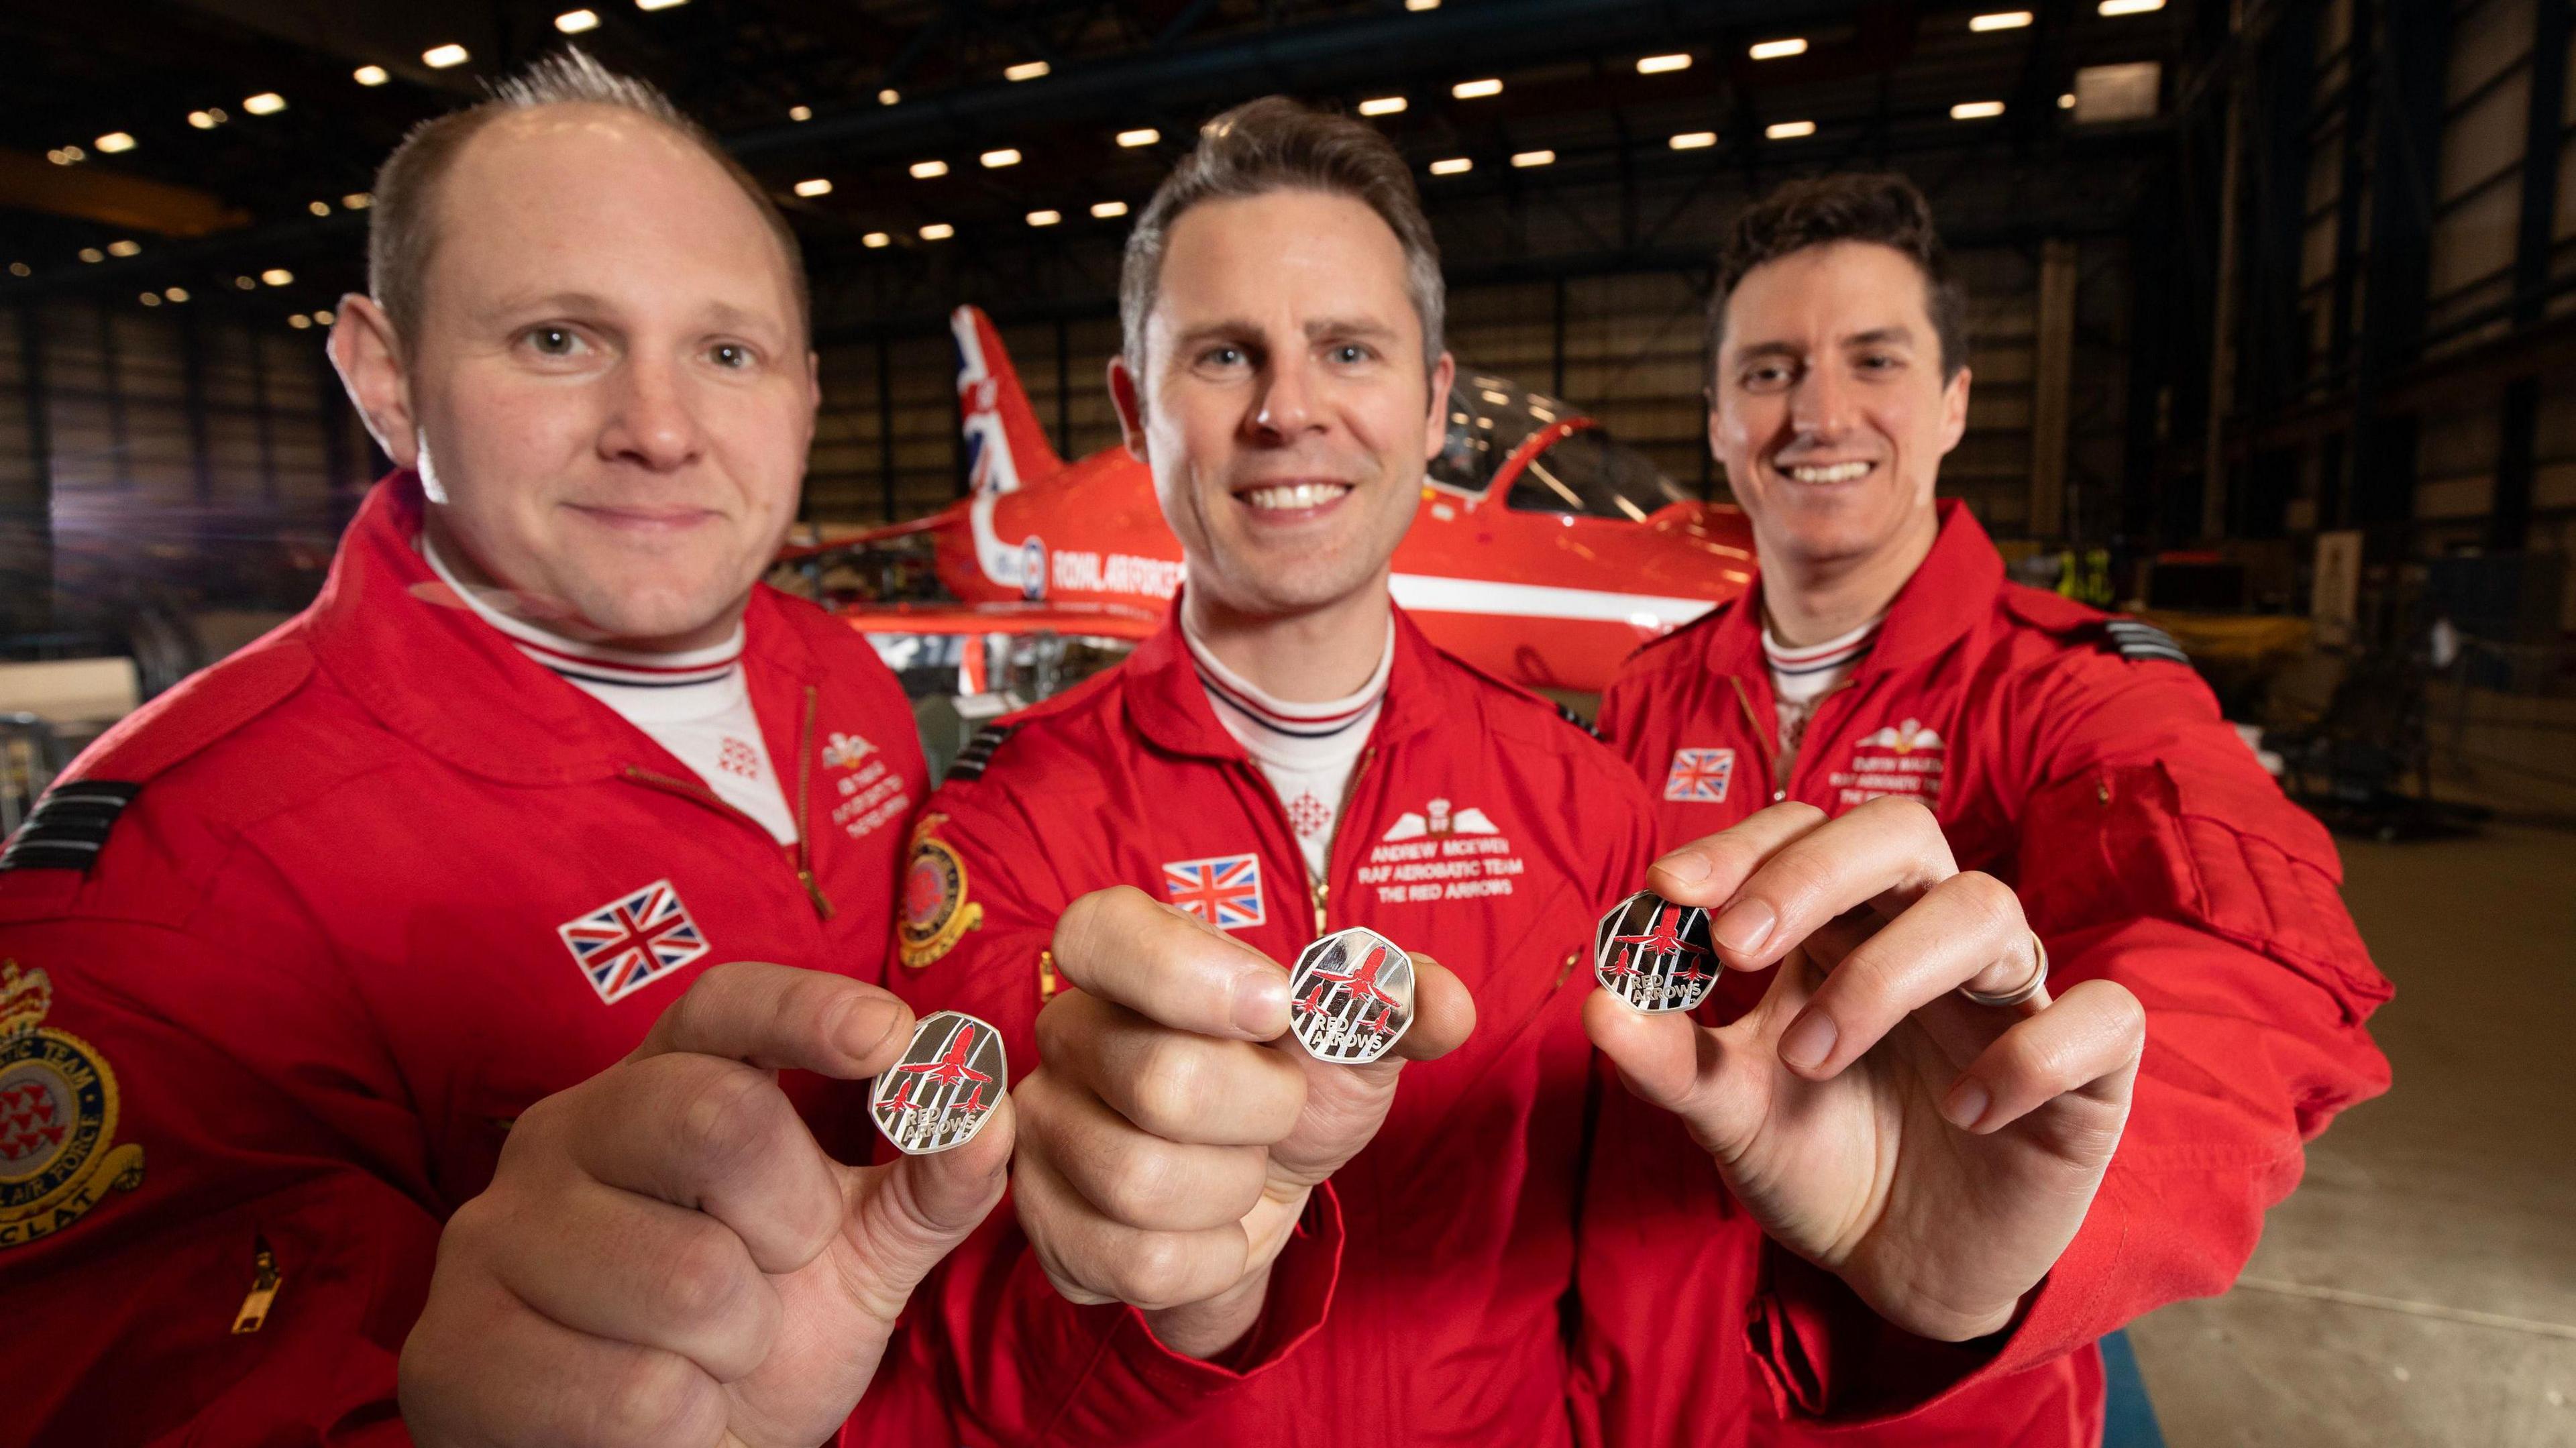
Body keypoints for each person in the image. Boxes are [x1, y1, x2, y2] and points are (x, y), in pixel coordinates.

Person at [407, 99, 2161, 1448]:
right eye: (1223, 354)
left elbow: (1665, 1310)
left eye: (1347, 351)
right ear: (1136, 404)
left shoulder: (1604, 814)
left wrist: (1937, 1315)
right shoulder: (997, 840)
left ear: (1428, 395)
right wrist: (1171, 1313)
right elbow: (949, 1348)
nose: (1286, 412)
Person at [0, 52, 1006, 1446]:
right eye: (557, 339)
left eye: (727, 353)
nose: (659, 430)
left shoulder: (840, 675)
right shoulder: (173, 883)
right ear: (387, 376)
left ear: (807, 394)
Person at [1582, 174, 2394, 1444]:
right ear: (1718, 419)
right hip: (1651, 1379)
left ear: (1957, 402)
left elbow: (2242, 963)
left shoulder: (2074, 693)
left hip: (1928, 1388)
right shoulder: (1645, 696)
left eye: (1875, 361)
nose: (1819, 413)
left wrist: (2038, 1207)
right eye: (1769, 371)